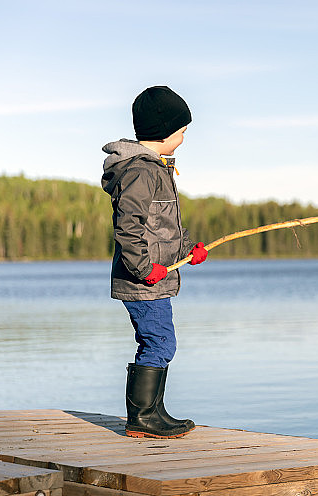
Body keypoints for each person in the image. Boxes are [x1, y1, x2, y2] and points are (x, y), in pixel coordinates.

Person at [100, 86, 208, 438]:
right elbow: (128, 229)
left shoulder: (157, 169)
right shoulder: (141, 172)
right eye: (182, 131)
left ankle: (152, 412)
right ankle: (143, 418)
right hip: (143, 280)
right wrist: (144, 269)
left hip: (155, 277)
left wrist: (189, 250)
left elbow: (162, 227)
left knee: (158, 341)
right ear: (165, 131)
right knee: (160, 342)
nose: (183, 137)